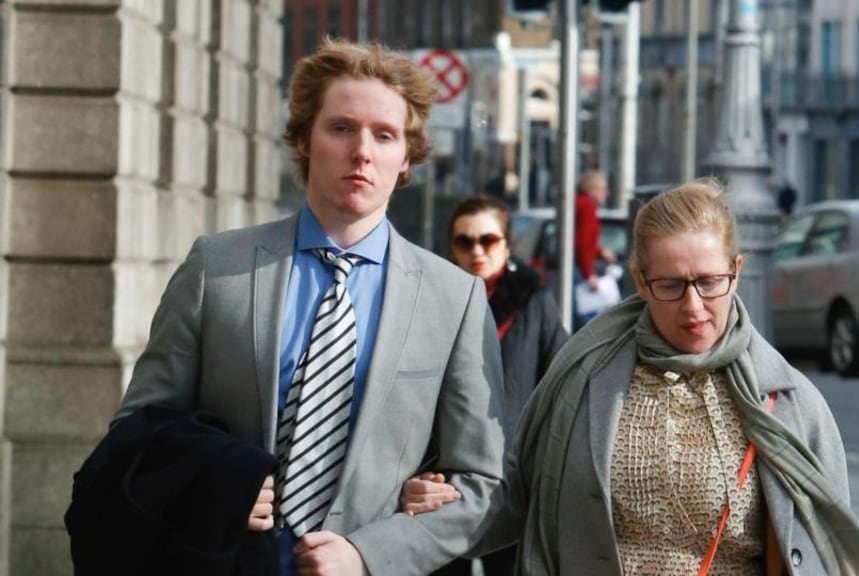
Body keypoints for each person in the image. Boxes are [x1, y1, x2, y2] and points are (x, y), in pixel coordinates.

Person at [111, 39, 505, 576]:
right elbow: (137, 431)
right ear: (303, 138)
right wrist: (211, 485)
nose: (362, 151)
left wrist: (372, 553)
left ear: (406, 155)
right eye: (341, 128)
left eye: (384, 135)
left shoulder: (454, 298)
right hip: (220, 560)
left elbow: (486, 488)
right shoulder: (217, 267)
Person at [403, 180, 859, 575]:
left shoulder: (790, 401)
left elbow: (822, 543)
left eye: (709, 282)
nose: (693, 307)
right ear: (639, 281)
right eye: (670, 286)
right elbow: (515, 497)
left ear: (736, 272)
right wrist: (444, 502)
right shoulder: (584, 375)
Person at [412, 196, 569, 576]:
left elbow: (561, 382)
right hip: (443, 479)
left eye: (489, 240)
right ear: (451, 247)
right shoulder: (431, 299)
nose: (477, 251)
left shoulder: (533, 301)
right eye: (464, 242)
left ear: (508, 244)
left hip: (512, 477)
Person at [574, 170, 619, 327]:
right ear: (591, 190)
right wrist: (589, 274)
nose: (606, 193)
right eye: (603, 189)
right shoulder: (587, 207)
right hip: (579, 270)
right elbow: (582, 242)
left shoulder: (578, 204)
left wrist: (600, 251)